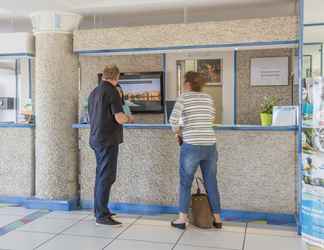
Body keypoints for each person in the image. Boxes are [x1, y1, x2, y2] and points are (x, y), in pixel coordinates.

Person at [169, 71, 222, 230]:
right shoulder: (208, 98)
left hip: (191, 144)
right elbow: (211, 118)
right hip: (210, 145)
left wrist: (178, 133)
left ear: (188, 84)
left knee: (186, 182)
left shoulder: (183, 97)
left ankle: (182, 219)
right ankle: (217, 219)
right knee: (211, 182)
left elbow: (173, 120)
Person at [88, 65, 134, 226]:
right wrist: (130, 119)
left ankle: (100, 210)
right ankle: (101, 216)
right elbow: (120, 118)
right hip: (107, 140)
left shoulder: (94, 92)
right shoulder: (112, 91)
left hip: (96, 139)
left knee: (102, 176)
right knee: (106, 177)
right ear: (117, 77)